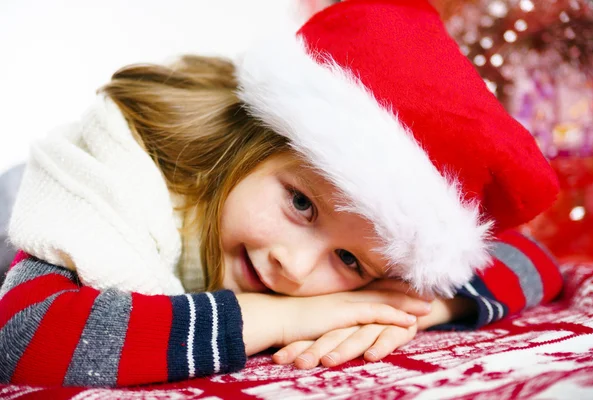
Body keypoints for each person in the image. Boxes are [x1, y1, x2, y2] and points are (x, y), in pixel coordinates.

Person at [0, 0, 562, 388]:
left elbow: (537, 261)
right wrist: (293, 317)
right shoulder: (129, 175)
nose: (293, 267)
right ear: (256, 140)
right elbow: (27, 337)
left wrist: (404, 311)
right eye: (300, 204)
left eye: (347, 260)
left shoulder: (359, 237)